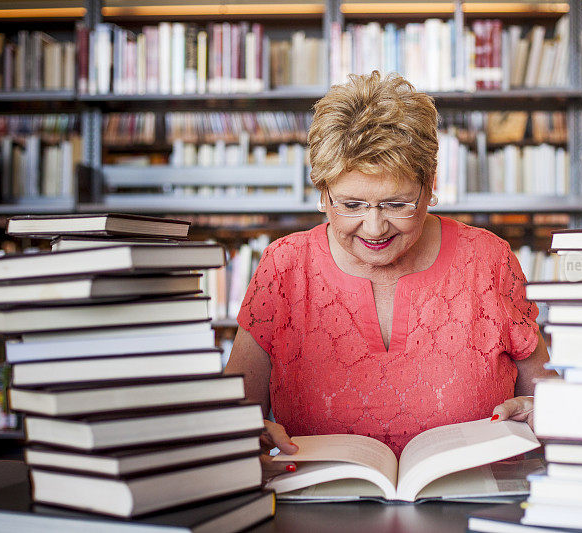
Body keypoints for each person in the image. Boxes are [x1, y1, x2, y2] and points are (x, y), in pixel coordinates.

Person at [225, 71, 557, 479]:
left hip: (472, 506)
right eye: (351, 205)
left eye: (397, 204)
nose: (374, 227)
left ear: (430, 186)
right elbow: (230, 421)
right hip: (319, 511)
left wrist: (543, 411)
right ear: (322, 191)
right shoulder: (283, 268)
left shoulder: (489, 260)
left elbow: (546, 397)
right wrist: (244, 434)